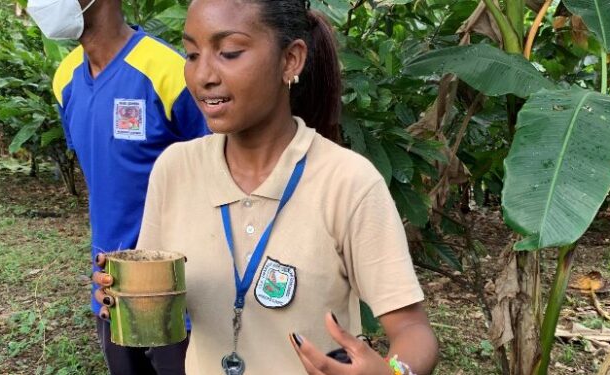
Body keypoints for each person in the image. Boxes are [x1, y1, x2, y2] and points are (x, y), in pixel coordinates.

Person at [94, 0, 439, 373]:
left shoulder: (348, 182)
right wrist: (129, 293)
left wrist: (394, 371)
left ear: (290, 60)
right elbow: (158, 291)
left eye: (229, 52)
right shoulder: (175, 169)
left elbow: (412, 328)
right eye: (192, 54)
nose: (202, 75)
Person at [25, 0, 209, 374]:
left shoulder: (170, 72)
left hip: (178, 294)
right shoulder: (65, 79)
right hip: (109, 288)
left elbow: (219, 171)